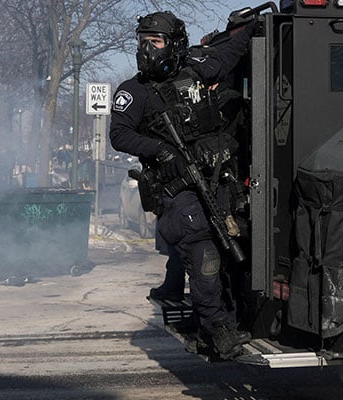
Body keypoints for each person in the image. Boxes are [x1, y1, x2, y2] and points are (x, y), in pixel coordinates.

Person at [109, 10, 257, 359]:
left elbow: (227, 57)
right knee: (204, 256)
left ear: (174, 44)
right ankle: (219, 333)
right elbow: (119, 134)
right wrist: (160, 150)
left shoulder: (195, 66)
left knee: (230, 253)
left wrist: (252, 29)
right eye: (143, 42)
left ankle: (214, 325)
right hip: (179, 189)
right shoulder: (134, 91)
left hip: (216, 181)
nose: (147, 49)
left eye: (156, 41)